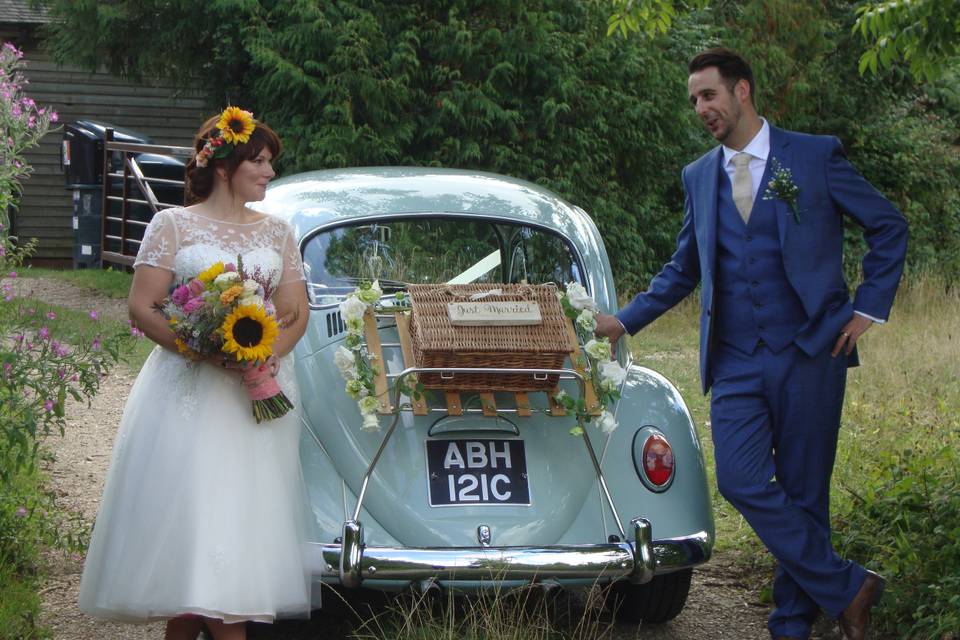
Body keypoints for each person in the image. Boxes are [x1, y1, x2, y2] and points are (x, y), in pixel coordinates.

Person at [595, 49, 908, 640]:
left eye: (709, 95)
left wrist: (867, 308)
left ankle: (790, 625)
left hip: (813, 350)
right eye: (693, 100)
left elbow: (887, 224)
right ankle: (848, 586)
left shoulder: (813, 156)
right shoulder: (698, 176)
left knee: (804, 491)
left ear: (742, 90)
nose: (701, 109)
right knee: (739, 481)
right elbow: (683, 267)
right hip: (736, 358)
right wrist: (625, 320)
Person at [78, 107, 312, 640]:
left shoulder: (278, 233)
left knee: (236, 520)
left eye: (271, 163)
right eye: (261, 161)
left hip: (255, 397)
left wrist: (265, 355)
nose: (270, 173)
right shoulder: (173, 225)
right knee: (188, 520)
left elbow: (295, 311)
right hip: (188, 391)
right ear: (225, 165)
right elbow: (144, 307)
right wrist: (203, 350)